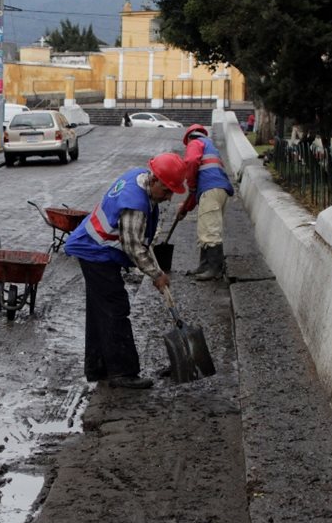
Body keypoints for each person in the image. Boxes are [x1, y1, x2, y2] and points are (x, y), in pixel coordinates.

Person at [62, 153, 187, 389]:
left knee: (101, 312)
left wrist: (156, 271)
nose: (170, 197)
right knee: (115, 309)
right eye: (168, 190)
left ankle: (99, 367)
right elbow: (134, 247)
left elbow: (139, 242)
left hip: (93, 248)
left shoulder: (138, 178)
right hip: (95, 252)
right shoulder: (135, 204)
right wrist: (157, 275)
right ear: (154, 179)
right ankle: (123, 372)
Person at [176, 124, 234, 281]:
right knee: (207, 226)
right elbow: (194, 195)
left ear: (188, 137)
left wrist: (192, 184)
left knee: (209, 230)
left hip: (210, 190)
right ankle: (205, 265)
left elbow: (191, 162)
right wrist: (185, 208)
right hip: (219, 190)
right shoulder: (210, 146)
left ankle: (215, 270)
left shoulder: (194, 142)